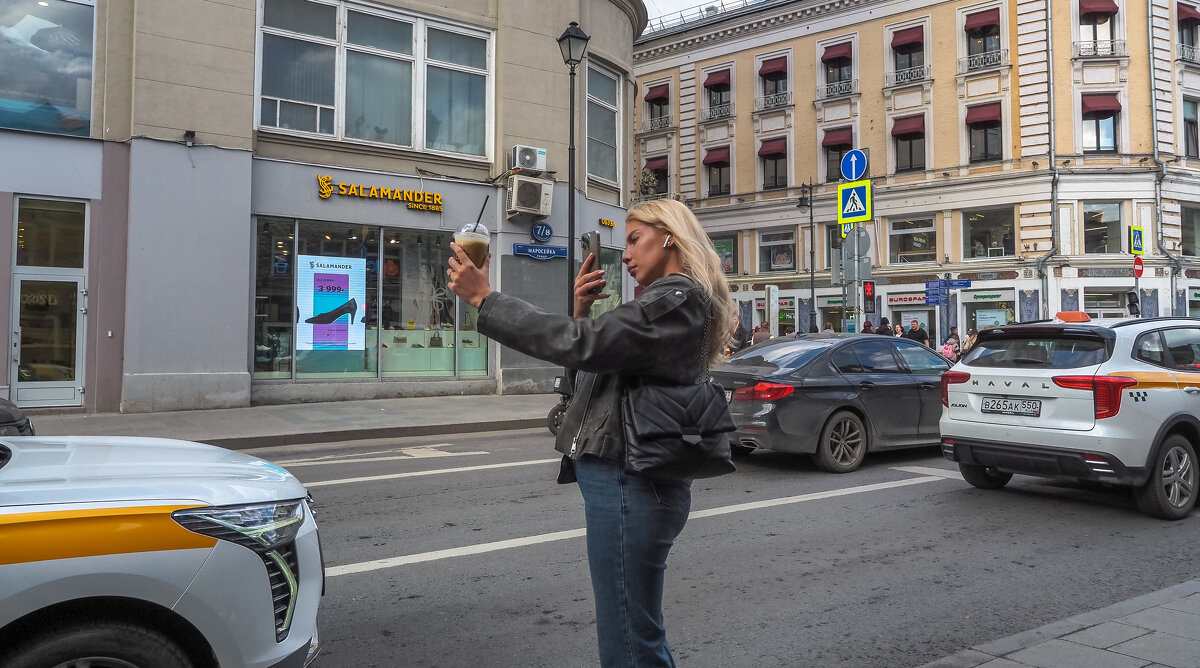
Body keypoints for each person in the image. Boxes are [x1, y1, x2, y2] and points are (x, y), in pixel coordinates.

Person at [445, 198, 732, 668]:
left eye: (635, 240)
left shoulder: (674, 298)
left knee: (629, 640)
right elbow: (587, 372)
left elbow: (587, 346)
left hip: (632, 484)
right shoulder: (664, 303)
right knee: (633, 630)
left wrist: (485, 299)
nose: (626, 254)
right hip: (630, 483)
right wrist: (581, 311)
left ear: (669, 237)